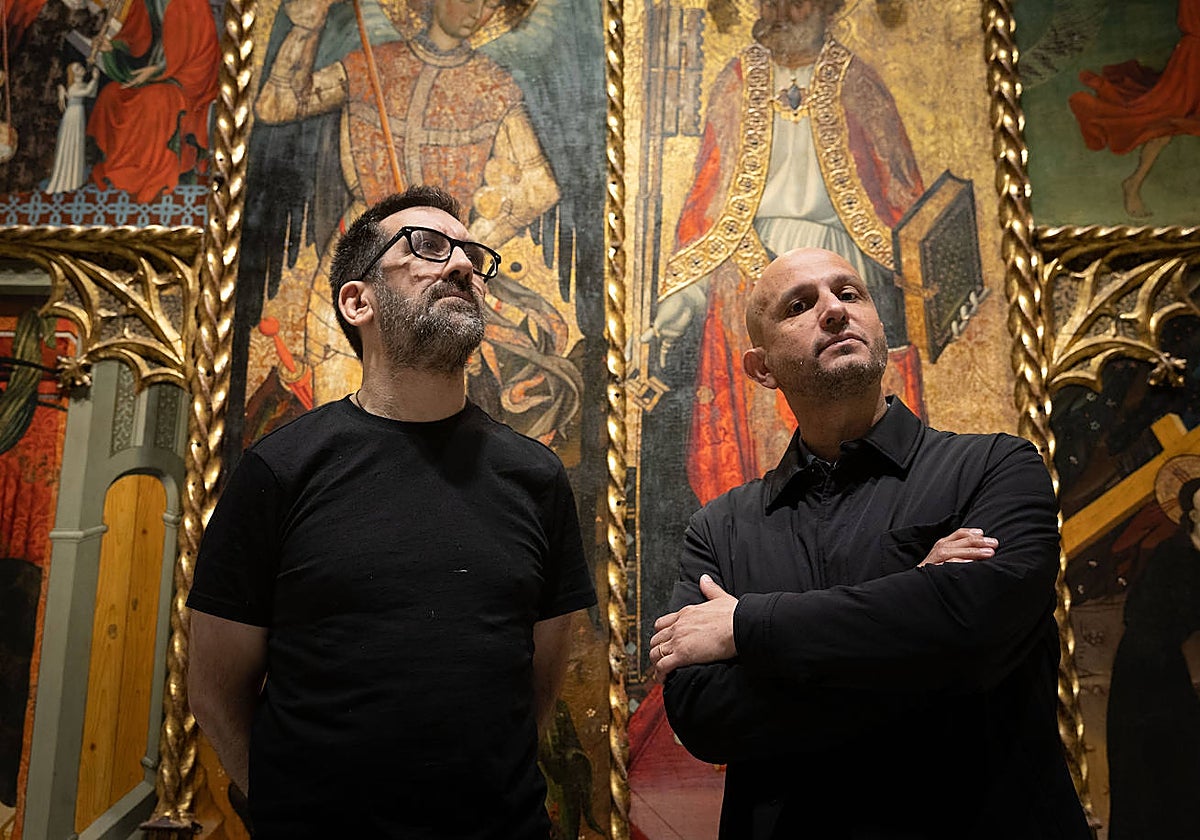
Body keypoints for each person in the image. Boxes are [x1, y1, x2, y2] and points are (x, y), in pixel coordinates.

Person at [187, 185, 596, 837]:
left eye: (470, 254)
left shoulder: (537, 476)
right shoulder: (280, 470)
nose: (462, 265)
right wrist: (286, 809)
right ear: (358, 301)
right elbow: (214, 690)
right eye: (429, 248)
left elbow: (538, 690)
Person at [649, 247, 1091, 839]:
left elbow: (976, 633)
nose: (832, 310)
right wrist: (918, 606)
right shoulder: (720, 529)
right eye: (799, 306)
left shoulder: (996, 467)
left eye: (848, 293)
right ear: (761, 368)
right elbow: (705, 717)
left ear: (880, 326)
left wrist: (746, 627)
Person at [646, 0, 926, 508]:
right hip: (745, 277)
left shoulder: (858, 82)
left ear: (827, 8)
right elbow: (706, 203)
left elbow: (901, 192)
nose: (784, 11)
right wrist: (681, 300)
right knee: (757, 453)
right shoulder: (734, 83)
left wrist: (926, 274)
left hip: (843, 256)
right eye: (772, 0)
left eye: (799, 1)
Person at [1068, 0, 1200, 218]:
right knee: (1163, 121)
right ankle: (1134, 184)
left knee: (1167, 123)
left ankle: (1134, 183)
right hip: (1193, 60)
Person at [45, 62, 98, 194]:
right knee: (71, 144)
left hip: (79, 115)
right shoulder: (73, 87)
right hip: (73, 116)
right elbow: (87, 91)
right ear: (73, 74)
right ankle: (66, 181)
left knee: (77, 145)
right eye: (77, 69)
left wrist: (94, 81)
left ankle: (76, 180)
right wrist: (95, 79)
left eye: (80, 67)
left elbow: (92, 93)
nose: (81, 69)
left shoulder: (81, 84)